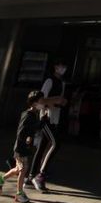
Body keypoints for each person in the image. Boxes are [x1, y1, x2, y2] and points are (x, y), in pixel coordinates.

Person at [28, 60, 69, 193]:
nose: (62, 68)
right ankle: (41, 175)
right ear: (55, 66)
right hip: (46, 117)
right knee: (56, 143)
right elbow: (40, 100)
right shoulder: (49, 81)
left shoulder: (62, 83)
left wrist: (62, 101)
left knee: (42, 147)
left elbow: (59, 100)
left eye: (64, 66)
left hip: (55, 117)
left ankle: (31, 176)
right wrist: (55, 99)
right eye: (60, 65)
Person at [0, 90, 44, 203]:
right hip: (21, 147)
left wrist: (42, 122)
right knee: (23, 170)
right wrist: (27, 139)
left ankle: (0, 179)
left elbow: (34, 128)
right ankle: (19, 193)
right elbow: (21, 132)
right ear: (34, 103)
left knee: (18, 169)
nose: (43, 103)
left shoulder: (34, 114)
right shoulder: (27, 115)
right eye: (41, 101)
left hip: (25, 148)